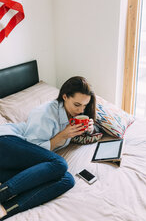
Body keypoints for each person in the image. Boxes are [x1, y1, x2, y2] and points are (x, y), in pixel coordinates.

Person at [0, 76, 97, 220]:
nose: (81, 110)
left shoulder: (75, 115)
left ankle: (7, 209)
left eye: (84, 106)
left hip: (9, 164)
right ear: (65, 96)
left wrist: (89, 128)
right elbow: (32, 148)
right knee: (60, 164)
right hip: (6, 142)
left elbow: (35, 158)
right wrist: (62, 136)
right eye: (77, 104)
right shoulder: (45, 114)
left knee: (68, 180)